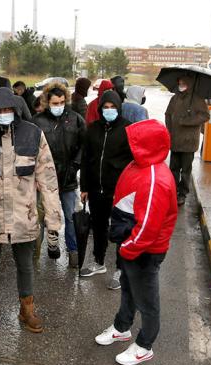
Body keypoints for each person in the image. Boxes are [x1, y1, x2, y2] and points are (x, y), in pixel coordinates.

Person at [0, 87, 62, 336]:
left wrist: (53, 217)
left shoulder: (34, 134)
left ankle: (26, 308)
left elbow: (48, 177)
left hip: (25, 215)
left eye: (8, 109)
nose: (3, 114)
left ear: (16, 109)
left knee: (26, 265)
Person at [95, 119, 178, 365]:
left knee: (147, 300)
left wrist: (129, 248)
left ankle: (145, 345)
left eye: (134, 141)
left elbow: (149, 227)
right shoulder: (140, 164)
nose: (129, 145)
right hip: (131, 244)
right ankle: (122, 326)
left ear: (146, 145)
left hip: (143, 250)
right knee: (129, 289)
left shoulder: (155, 179)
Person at [80, 90, 133, 290]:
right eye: (105, 107)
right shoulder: (92, 128)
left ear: (118, 108)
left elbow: (132, 161)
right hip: (95, 188)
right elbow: (86, 159)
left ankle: (120, 269)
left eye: (112, 107)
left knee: (120, 229)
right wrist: (84, 186)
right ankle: (99, 262)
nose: (109, 110)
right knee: (99, 226)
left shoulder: (127, 128)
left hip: (119, 189)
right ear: (100, 108)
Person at [33, 83, 86, 267]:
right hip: (44, 180)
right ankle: (35, 256)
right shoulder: (37, 121)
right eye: (55, 103)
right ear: (47, 102)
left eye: (62, 102)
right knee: (41, 217)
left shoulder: (75, 119)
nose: (59, 105)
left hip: (68, 178)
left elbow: (83, 144)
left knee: (70, 216)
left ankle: (73, 251)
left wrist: (76, 165)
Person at [165, 75, 210, 206]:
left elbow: (205, 115)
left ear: (189, 83)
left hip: (188, 142)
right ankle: (172, 191)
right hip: (174, 140)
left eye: (184, 82)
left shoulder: (197, 99)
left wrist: (188, 121)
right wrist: (169, 129)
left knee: (185, 170)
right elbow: (168, 114)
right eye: (179, 81)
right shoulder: (175, 98)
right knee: (173, 168)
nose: (181, 84)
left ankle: (182, 193)